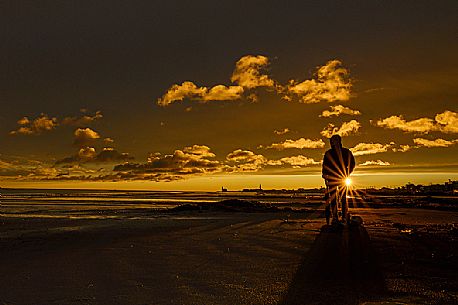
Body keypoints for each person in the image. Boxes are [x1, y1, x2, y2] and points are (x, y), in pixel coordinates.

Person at [322, 135, 355, 224]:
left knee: (343, 198)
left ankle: (344, 216)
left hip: (342, 177)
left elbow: (352, 163)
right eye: (332, 141)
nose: (334, 142)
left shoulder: (346, 152)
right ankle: (335, 217)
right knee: (333, 199)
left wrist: (348, 172)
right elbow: (325, 166)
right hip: (331, 178)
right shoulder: (328, 153)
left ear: (339, 141)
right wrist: (324, 175)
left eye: (335, 140)